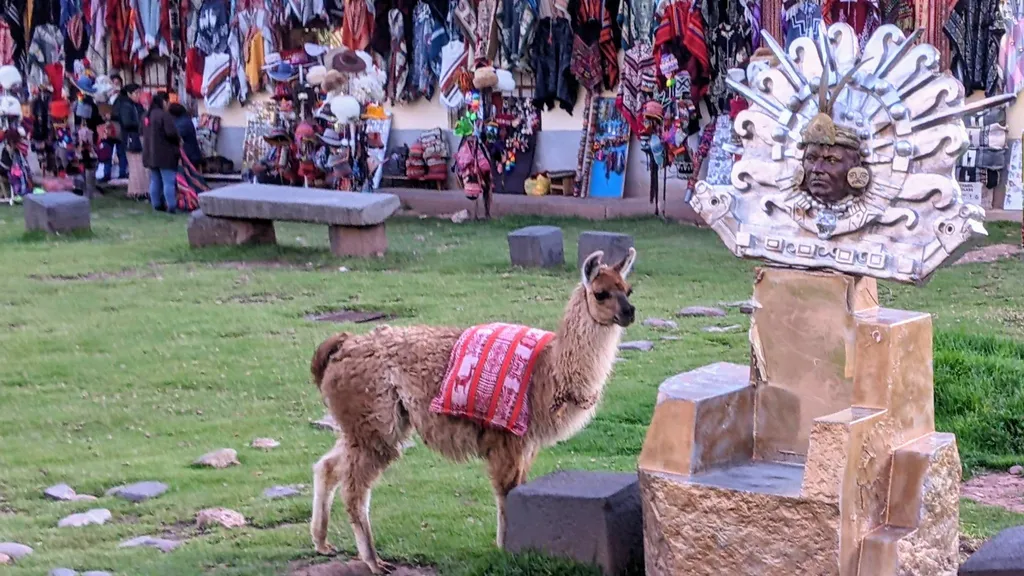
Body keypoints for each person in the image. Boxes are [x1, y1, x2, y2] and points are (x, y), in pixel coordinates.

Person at [142, 91, 180, 212]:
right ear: (164, 101)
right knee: (168, 181)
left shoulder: (146, 116)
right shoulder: (164, 115)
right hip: (165, 154)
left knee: (155, 180)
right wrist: (178, 140)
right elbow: (171, 133)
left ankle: (156, 205)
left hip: (150, 154)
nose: (168, 105)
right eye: (168, 102)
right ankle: (171, 206)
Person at [116, 83, 146, 198]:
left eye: (139, 93)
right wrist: (140, 124)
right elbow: (127, 123)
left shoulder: (137, 105)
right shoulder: (126, 106)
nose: (138, 95)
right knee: (135, 166)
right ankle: (136, 192)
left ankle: (140, 190)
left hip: (137, 137)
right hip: (130, 138)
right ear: (129, 94)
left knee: (140, 166)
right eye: (136, 93)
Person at [101, 74, 130, 181]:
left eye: (118, 83)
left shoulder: (124, 98)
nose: (115, 85)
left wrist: (112, 116)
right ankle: (106, 174)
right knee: (107, 151)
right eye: (114, 83)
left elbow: (124, 113)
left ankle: (122, 172)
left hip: (119, 127)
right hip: (107, 127)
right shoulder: (106, 96)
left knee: (121, 152)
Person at [169, 103, 202, 168]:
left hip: (189, 157)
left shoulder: (182, 123)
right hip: (191, 155)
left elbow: (173, 136)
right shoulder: (184, 120)